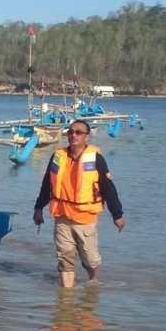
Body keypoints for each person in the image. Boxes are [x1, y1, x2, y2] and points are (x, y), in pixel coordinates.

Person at [33, 120, 125, 288]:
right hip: (62, 217)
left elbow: (108, 188)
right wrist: (38, 208)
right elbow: (47, 184)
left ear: (86, 137)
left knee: (90, 260)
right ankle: (66, 299)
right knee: (65, 257)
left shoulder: (96, 159)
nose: (73, 135)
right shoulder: (58, 156)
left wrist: (117, 215)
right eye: (70, 132)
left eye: (78, 132)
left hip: (85, 218)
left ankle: (93, 282)